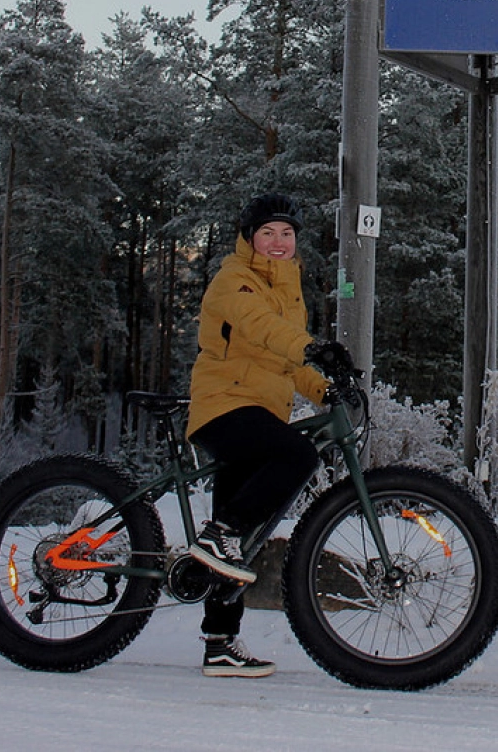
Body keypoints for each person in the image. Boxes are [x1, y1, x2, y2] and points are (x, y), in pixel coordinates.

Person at [185, 191, 337, 678]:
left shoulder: (287, 293)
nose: (278, 242)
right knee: (296, 457)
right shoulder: (236, 281)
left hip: (258, 412)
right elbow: (262, 329)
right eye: (268, 233)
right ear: (249, 238)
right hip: (224, 407)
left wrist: (327, 389)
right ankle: (217, 537)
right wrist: (315, 346)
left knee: (240, 542)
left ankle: (220, 643)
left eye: (287, 234)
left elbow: (288, 361)